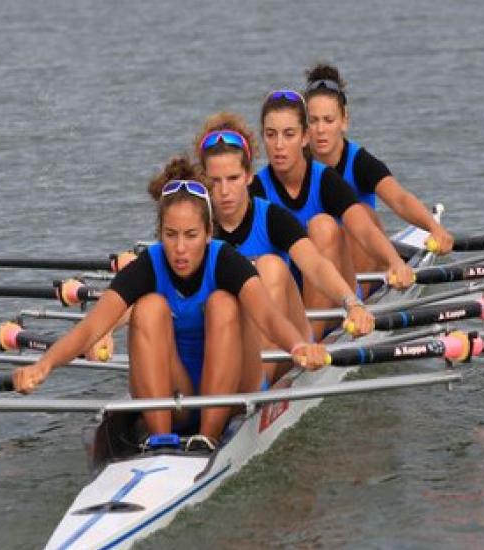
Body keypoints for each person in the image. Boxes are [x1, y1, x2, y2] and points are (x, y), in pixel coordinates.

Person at [12, 158, 327, 451]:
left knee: (222, 303)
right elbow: (93, 327)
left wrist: (299, 346)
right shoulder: (149, 264)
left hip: (233, 392)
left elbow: (269, 319)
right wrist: (44, 365)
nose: (179, 248)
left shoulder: (227, 260)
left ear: (208, 233)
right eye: (170, 235)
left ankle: (210, 437)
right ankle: (162, 440)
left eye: (190, 235)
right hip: (179, 396)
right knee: (149, 307)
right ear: (159, 234)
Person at [195, 112, 376, 382]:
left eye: (232, 179)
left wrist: (352, 303)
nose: (224, 192)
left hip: (284, 343)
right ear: (203, 181)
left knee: (270, 267)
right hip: (231, 343)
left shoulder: (271, 217)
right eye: (215, 182)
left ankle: (260, 395)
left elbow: (314, 265)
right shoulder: (193, 226)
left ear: (248, 177)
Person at [251, 88, 416, 329]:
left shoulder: (326, 181)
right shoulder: (254, 190)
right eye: (270, 135)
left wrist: (395, 261)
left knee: (323, 225)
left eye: (288, 134)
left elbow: (364, 229)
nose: (278, 145)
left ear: (304, 137)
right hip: (291, 302)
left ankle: (313, 342)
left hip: (340, 297)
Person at [303, 63, 455, 291]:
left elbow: (399, 199)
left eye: (328, 120)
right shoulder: (292, 167)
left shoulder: (359, 163)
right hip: (315, 270)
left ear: (344, 121)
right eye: (313, 121)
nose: (320, 130)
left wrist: (434, 228)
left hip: (358, 270)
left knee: (360, 215)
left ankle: (362, 303)